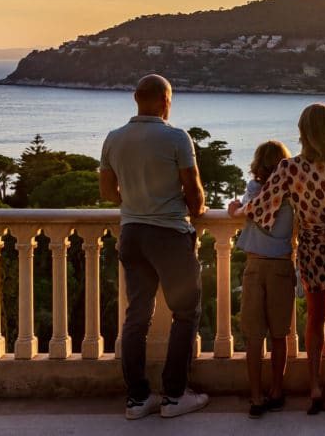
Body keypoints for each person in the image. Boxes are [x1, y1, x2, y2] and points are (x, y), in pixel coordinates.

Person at [99, 74, 210, 420]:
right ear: (165, 101)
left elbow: (107, 193)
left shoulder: (114, 138)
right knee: (186, 312)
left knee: (137, 315)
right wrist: (191, 207)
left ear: (135, 98)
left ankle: (137, 399)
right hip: (169, 235)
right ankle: (174, 396)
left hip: (132, 233)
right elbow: (194, 195)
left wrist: (137, 200)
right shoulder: (176, 137)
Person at [246, 103, 325, 415]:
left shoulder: (290, 168)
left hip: (312, 248)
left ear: (304, 131)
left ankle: (314, 385)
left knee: (315, 319)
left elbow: (262, 206)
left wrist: (237, 207)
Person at [227, 140, 296, 419]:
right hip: (281, 266)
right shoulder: (292, 191)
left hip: (255, 266)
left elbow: (244, 210)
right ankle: (276, 391)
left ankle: (256, 397)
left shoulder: (255, 188)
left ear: (258, 163)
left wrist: (233, 210)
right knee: (279, 335)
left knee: (254, 337)